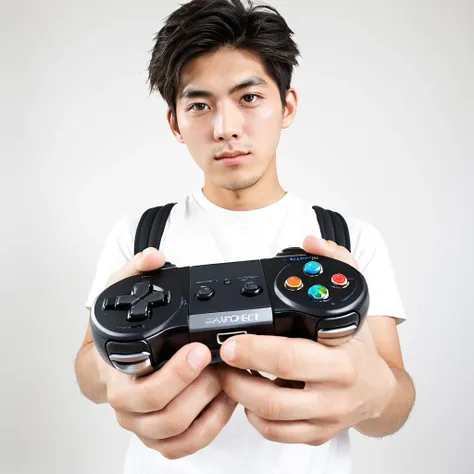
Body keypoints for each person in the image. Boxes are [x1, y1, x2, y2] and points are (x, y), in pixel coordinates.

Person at [75, 1, 416, 473]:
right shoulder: (138, 237)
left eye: (249, 98)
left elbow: (394, 402)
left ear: (287, 106)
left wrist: (374, 394)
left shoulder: (348, 241)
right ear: (175, 123)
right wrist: (114, 370)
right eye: (199, 105)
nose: (225, 128)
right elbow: (88, 367)